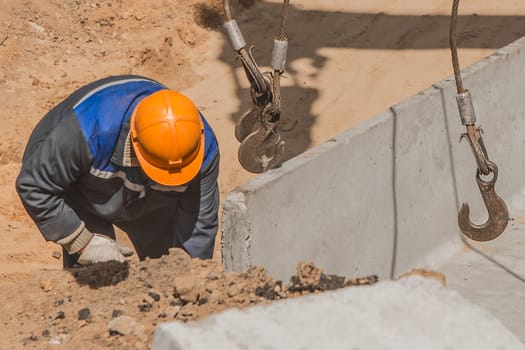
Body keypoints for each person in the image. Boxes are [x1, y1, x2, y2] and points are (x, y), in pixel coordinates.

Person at [15, 75, 220, 267]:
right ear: (135, 143)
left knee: (167, 264)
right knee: (100, 272)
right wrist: (82, 242)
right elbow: (33, 185)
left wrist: (190, 278)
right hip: (78, 184)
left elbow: (198, 225)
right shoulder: (89, 133)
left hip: (148, 195)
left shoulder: (199, 148)